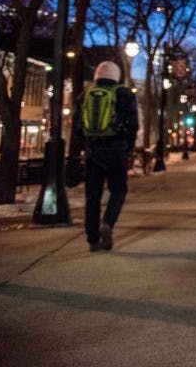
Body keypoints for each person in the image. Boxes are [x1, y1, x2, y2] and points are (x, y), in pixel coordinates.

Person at [74, 61, 139, 252]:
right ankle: (108, 223)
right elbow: (133, 125)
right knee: (118, 190)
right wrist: (128, 147)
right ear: (116, 76)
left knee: (92, 196)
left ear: (97, 75)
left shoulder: (84, 95)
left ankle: (92, 238)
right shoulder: (125, 94)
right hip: (117, 150)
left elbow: (78, 128)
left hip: (93, 152)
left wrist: (83, 147)